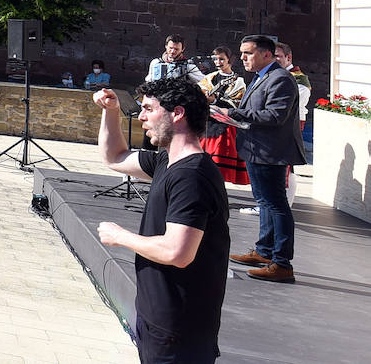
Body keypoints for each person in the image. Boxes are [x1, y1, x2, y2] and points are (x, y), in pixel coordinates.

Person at [93, 78, 229, 364]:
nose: (141, 117)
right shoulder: (167, 161)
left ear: (177, 113)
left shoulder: (192, 175)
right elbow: (114, 156)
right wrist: (111, 111)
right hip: (158, 319)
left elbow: (177, 252)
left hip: (179, 329)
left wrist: (120, 236)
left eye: (149, 109)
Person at [213, 34, 306, 283]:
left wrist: (232, 112)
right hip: (257, 149)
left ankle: (282, 263)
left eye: (248, 53)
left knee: (276, 205)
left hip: (270, 152)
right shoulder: (262, 76)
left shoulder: (281, 79)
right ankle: (264, 252)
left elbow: (274, 116)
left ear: (267, 54)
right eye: (241, 52)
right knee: (265, 202)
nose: (242, 57)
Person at [197, 46, 249, 187]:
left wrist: (214, 101)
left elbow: (236, 104)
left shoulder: (238, 82)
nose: (218, 62)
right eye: (215, 59)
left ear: (230, 60)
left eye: (221, 59)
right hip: (207, 122)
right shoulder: (209, 78)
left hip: (224, 125)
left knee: (218, 163)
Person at [274, 41, 311, 205]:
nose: (274, 60)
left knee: (286, 165)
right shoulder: (279, 75)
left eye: (278, 56)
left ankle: (283, 204)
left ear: (288, 58)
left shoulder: (299, 80)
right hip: (282, 125)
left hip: (289, 125)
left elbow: (293, 103)